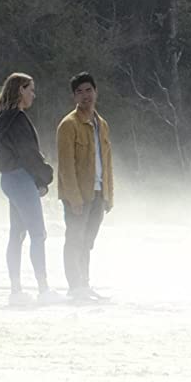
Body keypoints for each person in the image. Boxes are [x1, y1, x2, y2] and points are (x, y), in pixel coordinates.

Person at [0, 72, 61, 306]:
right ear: (20, 90)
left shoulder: (1, 118)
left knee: (17, 235)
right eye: (30, 89)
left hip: (9, 179)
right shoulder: (18, 119)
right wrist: (45, 175)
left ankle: (16, 291)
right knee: (38, 233)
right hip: (21, 178)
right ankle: (43, 289)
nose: (33, 94)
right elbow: (29, 153)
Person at [57, 72, 113, 301]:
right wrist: (74, 197)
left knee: (87, 241)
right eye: (79, 92)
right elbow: (65, 166)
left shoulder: (102, 124)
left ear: (96, 92)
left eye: (88, 90)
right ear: (74, 97)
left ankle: (84, 284)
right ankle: (75, 286)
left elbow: (107, 161)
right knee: (75, 239)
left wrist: (109, 194)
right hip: (79, 194)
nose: (85, 95)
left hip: (99, 191)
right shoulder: (68, 125)